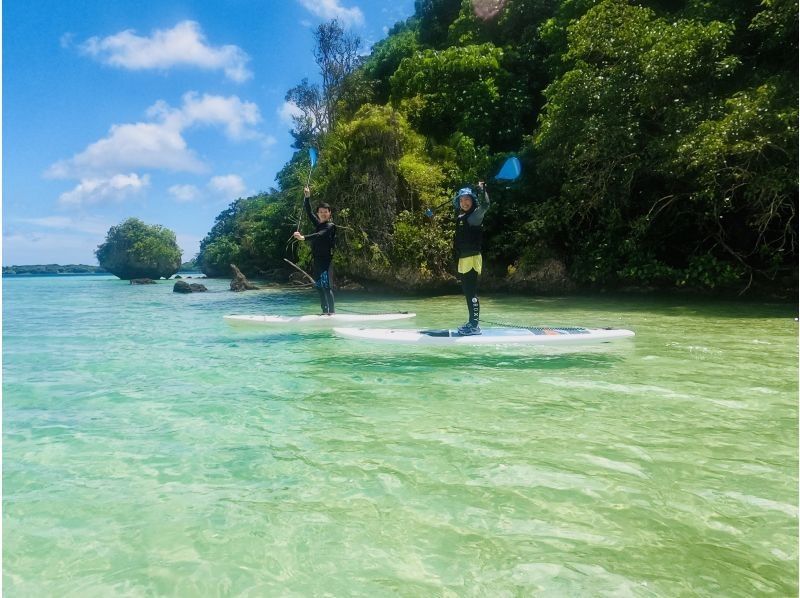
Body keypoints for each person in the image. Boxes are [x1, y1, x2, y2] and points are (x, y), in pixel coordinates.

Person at [293, 186, 336, 314]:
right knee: (319, 287)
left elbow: (320, 235)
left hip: (326, 261)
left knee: (327, 287)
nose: (323, 213)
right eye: (321, 211)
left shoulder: (330, 226)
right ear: (319, 213)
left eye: (326, 211)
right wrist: (307, 198)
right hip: (317, 261)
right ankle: (324, 312)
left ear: (329, 213)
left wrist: (302, 237)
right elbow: (309, 213)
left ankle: (332, 313)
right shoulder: (318, 224)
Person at [453, 182, 489, 335]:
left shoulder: (475, 216)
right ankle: (471, 322)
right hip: (463, 259)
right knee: (467, 292)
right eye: (461, 200)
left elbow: (486, 205)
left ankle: (474, 326)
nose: (464, 202)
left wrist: (482, 189)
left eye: (467, 199)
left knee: (471, 292)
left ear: (473, 200)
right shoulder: (461, 217)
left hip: (472, 258)